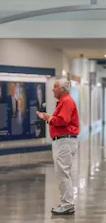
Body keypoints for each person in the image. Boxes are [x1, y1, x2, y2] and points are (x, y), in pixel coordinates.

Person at [37, 78, 79, 215]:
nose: (52, 89)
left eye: (55, 87)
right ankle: (66, 203)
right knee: (62, 172)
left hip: (64, 142)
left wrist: (48, 118)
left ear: (62, 89)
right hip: (62, 142)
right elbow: (61, 119)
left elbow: (62, 120)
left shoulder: (66, 101)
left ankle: (67, 204)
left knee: (63, 173)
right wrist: (49, 116)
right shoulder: (63, 102)